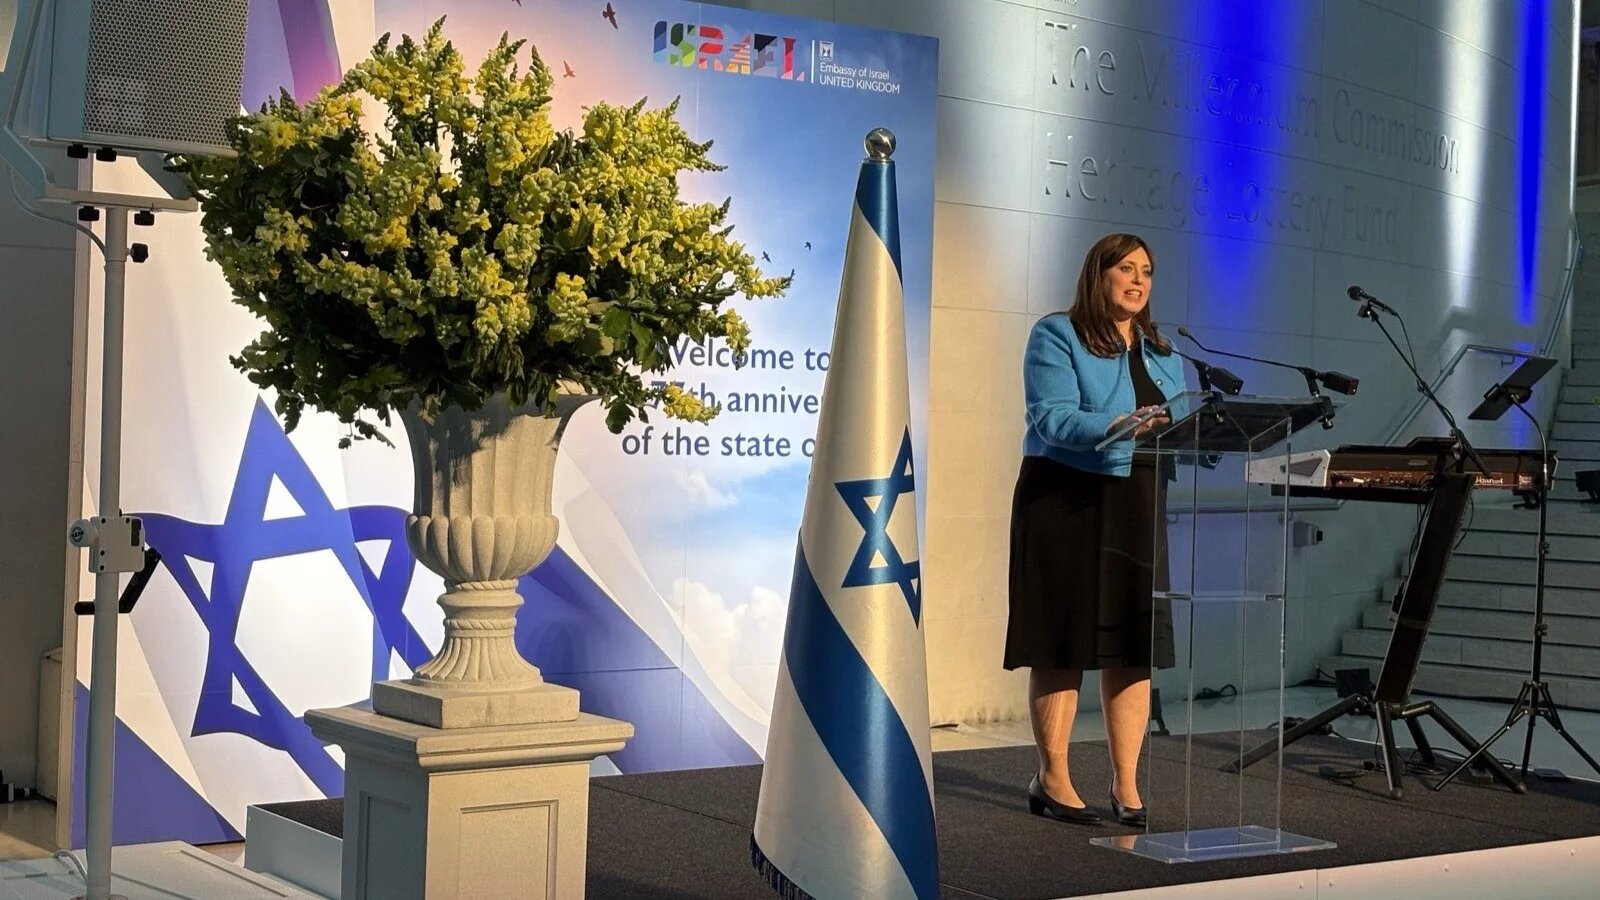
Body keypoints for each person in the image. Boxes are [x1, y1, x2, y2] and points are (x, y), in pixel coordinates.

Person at [1004, 232, 1190, 827]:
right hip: (1067, 497)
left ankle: (1126, 785)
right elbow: (1051, 416)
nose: (1138, 280)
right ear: (1099, 275)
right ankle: (1052, 779)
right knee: (1063, 642)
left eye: (1147, 270)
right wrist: (1122, 424)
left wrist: (1206, 434)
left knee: (1131, 646)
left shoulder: (1164, 351)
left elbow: (1184, 423)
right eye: (1126, 268)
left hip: (1138, 499)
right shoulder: (1057, 334)